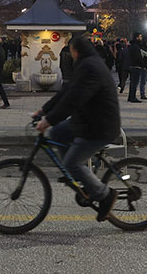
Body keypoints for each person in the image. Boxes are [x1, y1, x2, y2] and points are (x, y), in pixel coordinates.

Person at [34, 36, 119, 222]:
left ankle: (105, 194)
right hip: (87, 120)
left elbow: (74, 100)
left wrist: (48, 120)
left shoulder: (90, 68)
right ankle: (76, 176)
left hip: (99, 125)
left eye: (71, 51)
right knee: (57, 132)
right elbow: (68, 91)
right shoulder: (87, 63)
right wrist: (44, 110)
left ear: (75, 51)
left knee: (73, 162)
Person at [127, 32, 144, 103]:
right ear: (137, 37)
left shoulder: (132, 45)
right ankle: (133, 97)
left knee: (132, 82)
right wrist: (142, 64)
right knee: (134, 82)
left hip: (131, 65)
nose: (141, 38)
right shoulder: (136, 46)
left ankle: (130, 96)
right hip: (136, 66)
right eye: (140, 37)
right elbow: (137, 57)